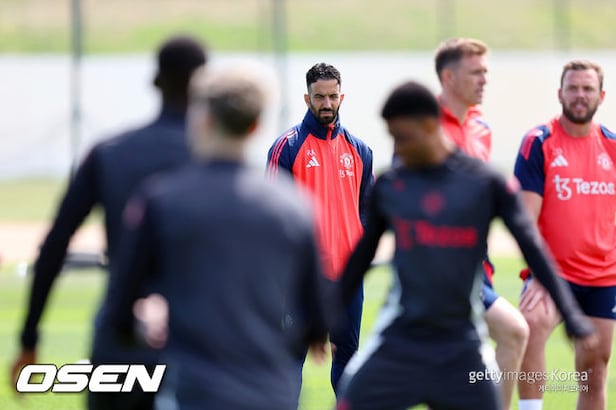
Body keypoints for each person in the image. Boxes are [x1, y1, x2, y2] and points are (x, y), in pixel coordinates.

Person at [336, 81, 596, 410]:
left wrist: (571, 315)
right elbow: (361, 257)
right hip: (399, 341)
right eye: (392, 138)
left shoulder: (486, 183)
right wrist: (324, 316)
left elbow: (532, 248)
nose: (397, 148)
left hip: (461, 346)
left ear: (429, 127)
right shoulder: (391, 185)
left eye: (403, 137)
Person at [108, 63, 329, 410]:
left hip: (194, 393)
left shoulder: (162, 201)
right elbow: (318, 321)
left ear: (203, 119)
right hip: (272, 394)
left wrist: (149, 323)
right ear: (256, 126)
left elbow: (119, 313)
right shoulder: (294, 207)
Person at [10, 35, 207, 410]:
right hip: (197, 344)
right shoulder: (218, 164)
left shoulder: (111, 153)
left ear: (156, 81)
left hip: (121, 340)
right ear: (203, 85)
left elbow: (55, 245)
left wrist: (29, 337)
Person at [514, 60, 616, 410]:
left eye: (588, 89)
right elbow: (525, 221)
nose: (579, 95)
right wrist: (540, 275)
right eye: (572, 88)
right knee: (530, 325)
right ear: (560, 93)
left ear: (601, 96)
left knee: (594, 372)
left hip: (603, 278)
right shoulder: (539, 142)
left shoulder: (612, 146)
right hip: (552, 272)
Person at [434, 37, 529, 410]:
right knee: (512, 331)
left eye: (486, 71)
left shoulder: (481, 128)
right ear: (449, 77)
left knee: (503, 340)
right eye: (476, 72)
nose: (484, 80)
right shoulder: (424, 128)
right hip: (441, 271)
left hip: (476, 267)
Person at [266, 62, 373, 392]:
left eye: (332, 96)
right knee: (290, 360)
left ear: (342, 97)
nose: (326, 104)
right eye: (319, 97)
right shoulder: (287, 147)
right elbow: (272, 215)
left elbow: (367, 211)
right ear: (306, 98)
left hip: (348, 279)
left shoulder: (360, 150)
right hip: (302, 278)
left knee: (348, 359)